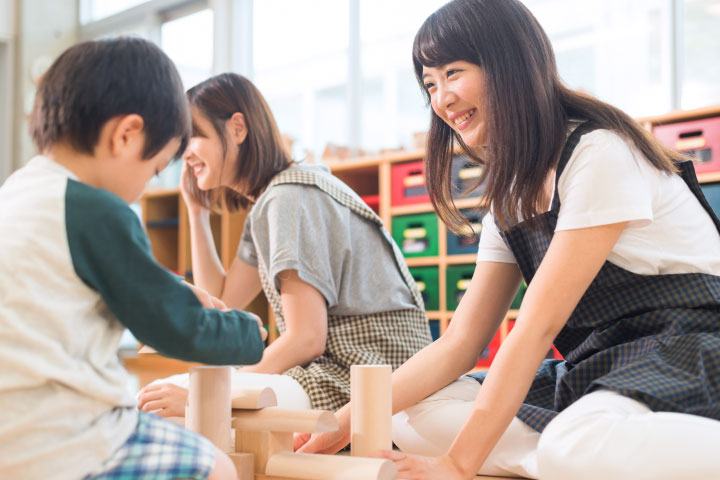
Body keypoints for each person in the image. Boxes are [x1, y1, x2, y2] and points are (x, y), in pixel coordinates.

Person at [295, 1, 720, 479]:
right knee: (405, 415)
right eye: (430, 84)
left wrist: (458, 465)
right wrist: (342, 423)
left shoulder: (599, 151)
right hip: (603, 363)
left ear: (509, 63)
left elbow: (536, 328)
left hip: (690, 347)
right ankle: (576, 460)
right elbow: (460, 340)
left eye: (453, 72)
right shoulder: (511, 191)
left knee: (572, 442)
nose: (441, 99)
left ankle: (577, 455)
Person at [0, 37, 267, 480]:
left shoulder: (17, 194)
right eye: (154, 166)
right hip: (62, 442)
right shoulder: (95, 209)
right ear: (126, 135)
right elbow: (174, 326)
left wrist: (175, 291)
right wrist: (248, 335)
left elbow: (74, 287)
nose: (144, 187)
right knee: (218, 467)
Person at [137, 73, 432, 416]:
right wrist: (197, 212)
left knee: (189, 395)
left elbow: (307, 338)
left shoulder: (286, 198)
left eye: (194, 137)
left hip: (368, 371)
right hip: (361, 366)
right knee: (186, 392)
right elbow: (221, 300)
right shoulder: (275, 199)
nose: (183, 154)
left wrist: (218, 392)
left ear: (237, 128)